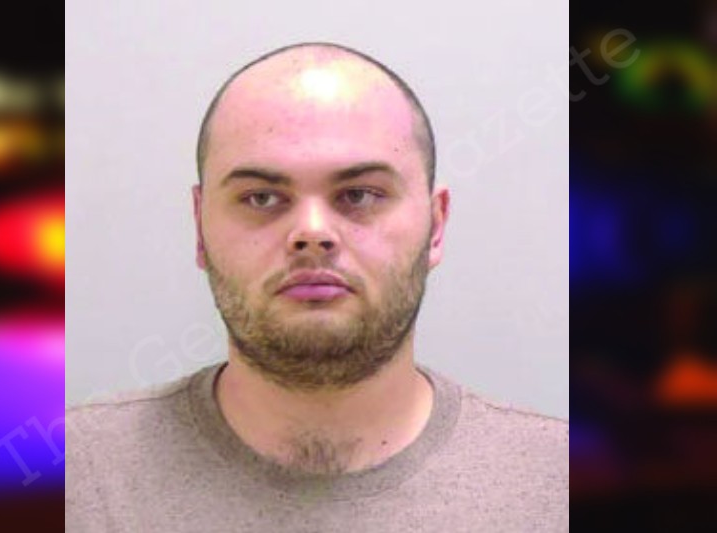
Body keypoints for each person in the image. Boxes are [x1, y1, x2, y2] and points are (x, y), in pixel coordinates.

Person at [65, 42, 568, 532]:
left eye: (360, 195)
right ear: (199, 227)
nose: (311, 232)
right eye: (261, 198)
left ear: (435, 226)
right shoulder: (72, 480)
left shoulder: (561, 487)